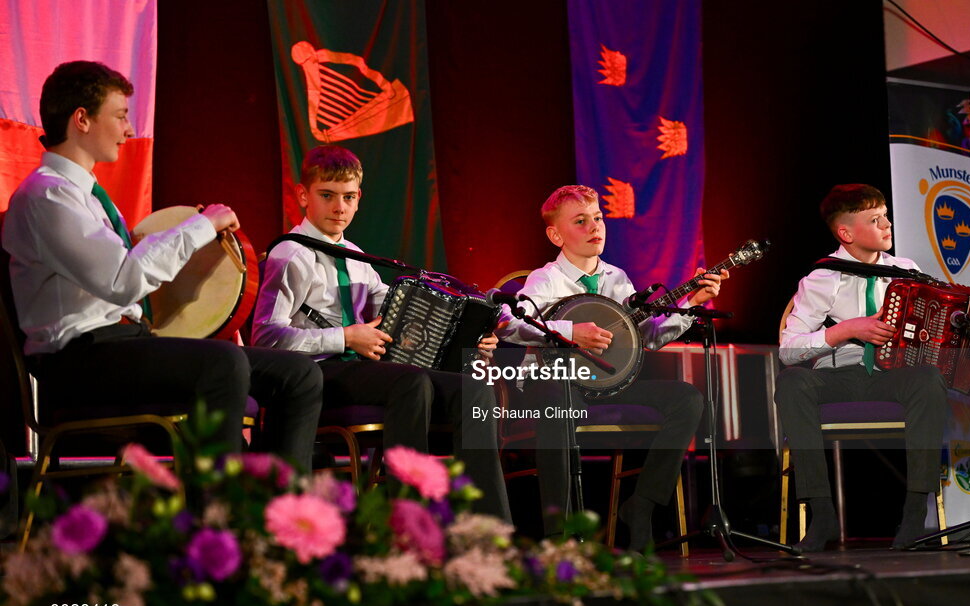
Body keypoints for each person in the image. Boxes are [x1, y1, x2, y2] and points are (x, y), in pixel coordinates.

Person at [1, 61, 322, 471]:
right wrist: (200, 227)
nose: (129, 130)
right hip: (79, 362)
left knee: (299, 374)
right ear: (81, 119)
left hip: (123, 346)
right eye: (119, 116)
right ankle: (215, 519)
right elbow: (121, 280)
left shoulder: (90, 197)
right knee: (223, 363)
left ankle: (279, 510)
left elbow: (125, 270)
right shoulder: (47, 197)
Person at [251, 145, 511, 522]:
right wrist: (345, 338)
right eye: (327, 195)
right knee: (410, 382)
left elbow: (404, 311)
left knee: (472, 387)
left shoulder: (356, 257)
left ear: (359, 200)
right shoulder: (290, 255)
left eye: (349, 197)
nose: (339, 207)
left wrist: (473, 339)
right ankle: (409, 518)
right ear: (303, 195)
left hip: (360, 372)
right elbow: (266, 338)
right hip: (315, 376)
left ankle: (490, 524)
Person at [776, 183, 970, 551]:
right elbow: (787, 348)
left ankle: (914, 512)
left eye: (886, 215)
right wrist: (845, 330)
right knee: (793, 382)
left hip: (895, 378)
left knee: (927, 377)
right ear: (846, 233)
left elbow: (947, 332)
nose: (887, 224)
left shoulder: (907, 271)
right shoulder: (821, 279)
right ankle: (821, 510)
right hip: (839, 378)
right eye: (875, 220)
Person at [497, 184, 726, 550]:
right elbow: (510, 323)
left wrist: (691, 302)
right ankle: (561, 532)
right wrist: (571, 331)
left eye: (598, 218)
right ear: (556, 234)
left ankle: (643, 504)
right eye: (581, 220)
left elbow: (647, 337)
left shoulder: (617, 279)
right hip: (556, 384)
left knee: (687, 398)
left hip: (606, 385)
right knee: (557, 398)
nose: (594, 227)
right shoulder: (545, 279)